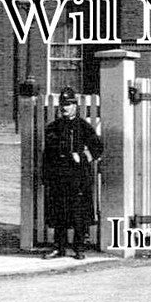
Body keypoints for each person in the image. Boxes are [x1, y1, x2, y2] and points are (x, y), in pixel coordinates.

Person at [42, 87, 104, 259]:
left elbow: (97, 148)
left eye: (69, 104)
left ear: (75, 106)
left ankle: (78, 248)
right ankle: (59, 248)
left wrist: (82, 157)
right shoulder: (53, 128)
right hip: (59, 178)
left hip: (78, 178)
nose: (65, 108)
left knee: (78, 215)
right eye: (63, 104)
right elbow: (47, 154)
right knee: (58, 214)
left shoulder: (83, 127)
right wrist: (46, 177)